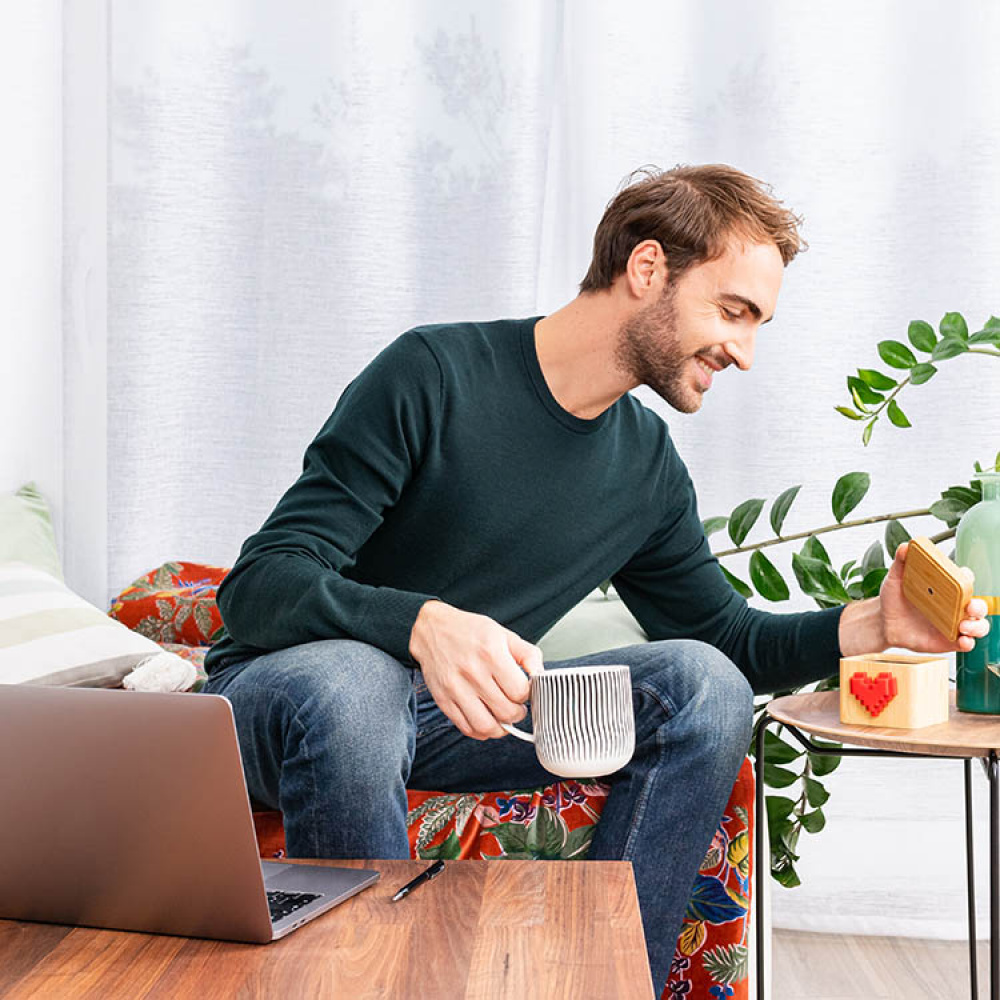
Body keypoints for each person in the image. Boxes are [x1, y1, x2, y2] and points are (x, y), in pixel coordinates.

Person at [202, 163, 990, 989]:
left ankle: (604, 981)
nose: (746, 353)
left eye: (759, 324)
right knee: (354, 682)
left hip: (452, 722)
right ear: (647, 270)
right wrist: (421, 623)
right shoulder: (434, 373)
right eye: (733, 312)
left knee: (703, 683)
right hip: (285, 703)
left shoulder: (644, 466)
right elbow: (260, 584)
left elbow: (726, 637)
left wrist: (867, 628)